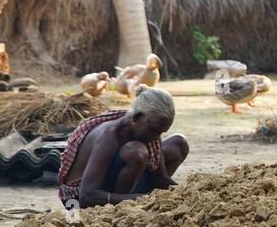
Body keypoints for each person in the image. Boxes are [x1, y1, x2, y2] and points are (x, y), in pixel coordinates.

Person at [57, 87, 188, 209]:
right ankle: (120, 209)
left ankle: (131, 199)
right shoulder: (109, 136)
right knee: (136, 152)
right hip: (78, 199)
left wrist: (186, 194)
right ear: (136, 118)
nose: (156, 137)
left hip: (118, 185)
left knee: (179, 144)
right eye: (154, 130)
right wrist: (143, 198)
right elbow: (87, 196)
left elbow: (160, 178)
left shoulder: (149, 130)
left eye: (161, 132)